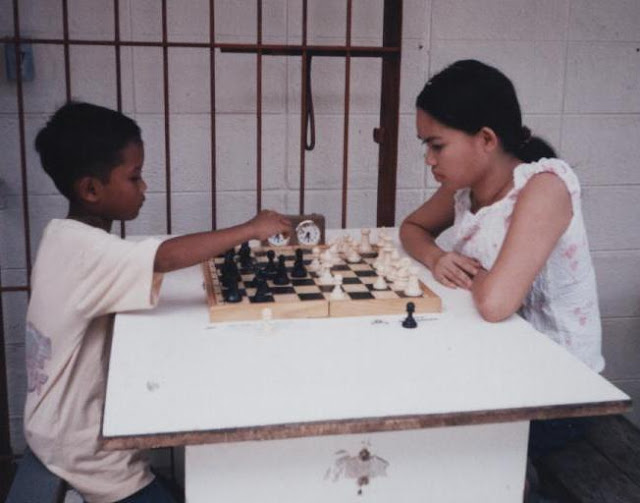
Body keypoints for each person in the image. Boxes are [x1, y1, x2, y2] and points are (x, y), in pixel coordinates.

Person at [24, 101, 291, 502]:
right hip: (85, 454)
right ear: (91, 189)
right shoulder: (85, 252)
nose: (144, 187)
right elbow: (164, 256)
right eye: (135, 177)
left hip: (56, 427)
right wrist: (251, 228)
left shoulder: (62, 237)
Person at [399, 60, 604, 490]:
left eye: (437, 145)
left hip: (559, 395)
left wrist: (465, 263)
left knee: (422, 445)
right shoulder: (465, 186)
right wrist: (437, 257)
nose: (428, 159)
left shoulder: (544, 187)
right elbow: (411, 229)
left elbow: (495, 304)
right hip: (504, 369)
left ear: (486, 139)